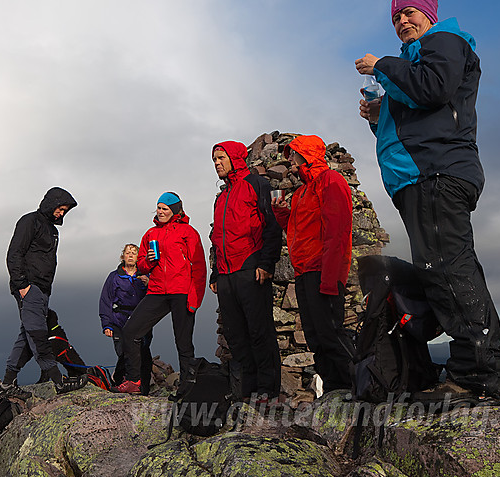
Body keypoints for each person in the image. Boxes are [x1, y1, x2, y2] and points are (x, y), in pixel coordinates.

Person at [355, 0, 500, 403]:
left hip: (437, 172)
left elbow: (433, 87)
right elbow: (420, 112)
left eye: (410, 12)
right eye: (396, 17)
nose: (403, 20)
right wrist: (379, 115)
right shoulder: (413, 61)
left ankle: (474, 377)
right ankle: (480, 370)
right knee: (446, 267)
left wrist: (380, 65)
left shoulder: (444, 41)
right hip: (420, 176)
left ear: (429, 14)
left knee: (448, 268)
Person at [272, 134, 354, 393]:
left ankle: (358, 385)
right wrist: (281, 213)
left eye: (294, 156)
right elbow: (297, 231)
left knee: (331, 334)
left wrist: (331, 278)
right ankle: (334, 390)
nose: (291, 163)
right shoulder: (302, 192)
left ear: (306, 155)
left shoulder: (331, 181)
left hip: (323, 270)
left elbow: (337, 233)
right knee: (315, 337)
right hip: (304, 271)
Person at [209, 141, 283, 402]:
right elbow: (217, 238)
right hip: (227, 275)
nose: (216, 163)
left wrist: (266, 263)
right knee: (236, 335)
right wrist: (215, 274)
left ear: (235, 158)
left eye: (220, 158)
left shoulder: (258, 184)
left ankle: (268, 390)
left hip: (250, 268)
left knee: (259, 331)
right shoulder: (221, 197)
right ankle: (246, 391)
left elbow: (272, 225)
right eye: (214, 159)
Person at [114, 192, 206, 394]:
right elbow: (141, 267)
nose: (160, 211)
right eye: (158, 207)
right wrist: (149, 261)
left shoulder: (188, 232)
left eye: (165, 208)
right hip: (156, 291)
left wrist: (195, 298)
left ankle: (187, 388)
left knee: (183, 342)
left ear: (175, 210)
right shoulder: (150, 234)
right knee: (130, 331)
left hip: (181, 291)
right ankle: (134, 381)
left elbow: (199, 266)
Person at [0, 187, 79, 399]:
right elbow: (14, 254)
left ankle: (7, 384)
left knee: (26, 336)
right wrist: (23, 285)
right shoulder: (29, 221)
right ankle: (58, 382)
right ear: (51, 203)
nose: (61, 214)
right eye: (60, 209)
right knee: (38, 334)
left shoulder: (52, 230)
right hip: (29, 288)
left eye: (64, 211)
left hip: (42, 290)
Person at [99, 243, 152, 392]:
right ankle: (120, 381)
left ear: (138, 257)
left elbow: (156, 297)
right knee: (124, 352)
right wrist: (106, 324)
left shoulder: (145, 275)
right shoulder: (114, 277)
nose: (130, 255)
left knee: (144, 352)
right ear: (123, 256)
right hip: (119, 320)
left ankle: (144, 388)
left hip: (141, 319)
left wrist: (149, 284)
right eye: (127, 252)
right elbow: (105, 300)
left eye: (134, 253)